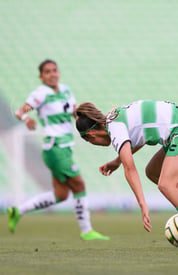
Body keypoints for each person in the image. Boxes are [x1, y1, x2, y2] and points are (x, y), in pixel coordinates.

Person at [75, 100, 178, 252]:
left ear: (90, 135)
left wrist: (142, 204)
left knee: (166, 184)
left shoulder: (114, 128)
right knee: (153, 172)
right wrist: (117, 161)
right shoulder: (113, 118)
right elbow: (141, 136)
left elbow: (130, 168)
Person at [7, 59, 109, 241]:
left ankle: (17, 211)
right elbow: (21, 111)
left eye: (55, 70)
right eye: (47, 72)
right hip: (55, 147)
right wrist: (26, 119)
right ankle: (86, 231)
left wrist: (91, 116)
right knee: (79, 185)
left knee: (61, 195)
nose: (52, 74)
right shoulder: (40, 94)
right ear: (41, 76)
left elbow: (74, 112)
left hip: (65, 147)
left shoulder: (65, 90)